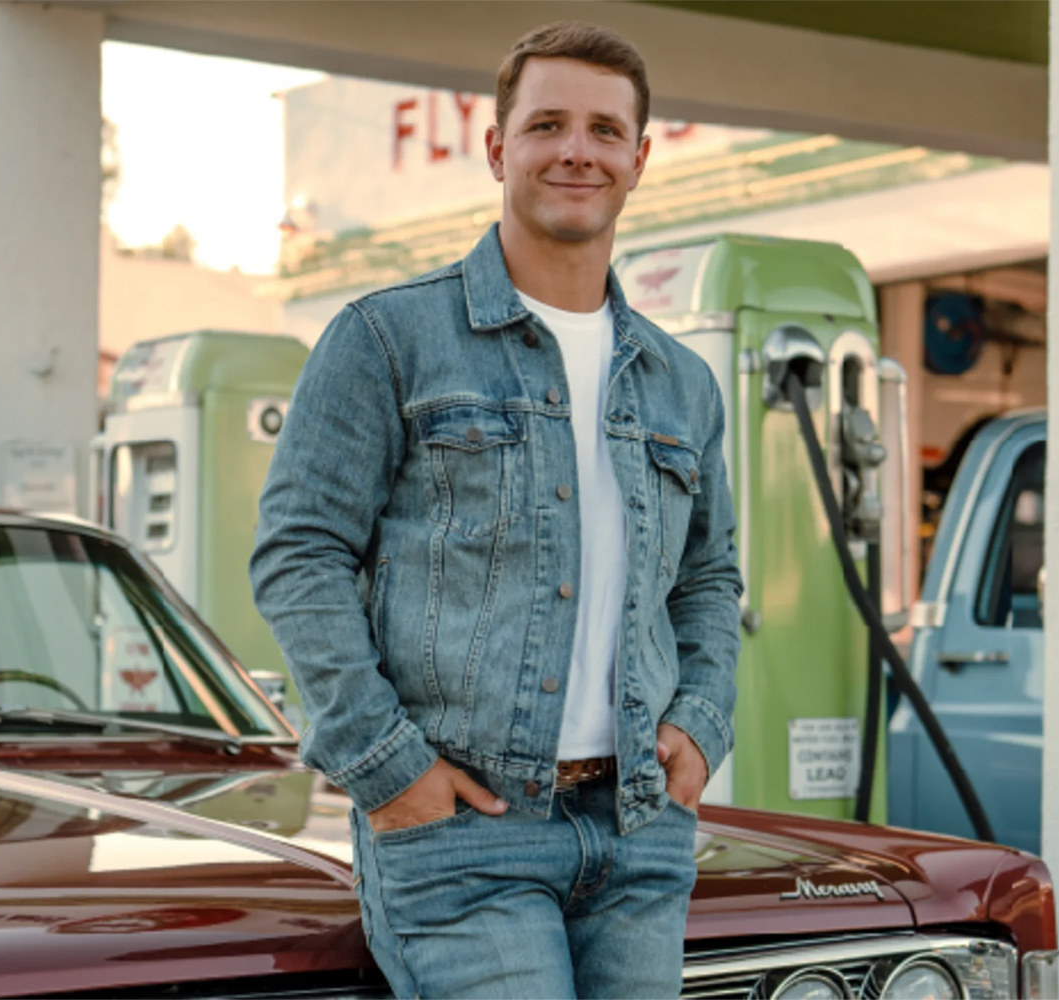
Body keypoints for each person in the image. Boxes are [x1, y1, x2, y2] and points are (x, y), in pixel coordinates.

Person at [250, 20, 740, 999]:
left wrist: (700, 724)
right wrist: (388, 766)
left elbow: (709, 578)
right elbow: (299, 555)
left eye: (605, 131)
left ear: (640, 159)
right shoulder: (386, 340)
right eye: (547, 124)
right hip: (465, 837)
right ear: (496, 148)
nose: (576, 151)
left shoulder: (682, 382)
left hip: (640, 830)